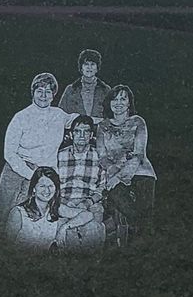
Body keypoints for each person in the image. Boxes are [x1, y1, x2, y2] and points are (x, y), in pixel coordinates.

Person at [0, 72, 68, 222]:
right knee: (6, 217)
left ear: (53, 95)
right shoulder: (21, 117)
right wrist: (31, 175)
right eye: (39, 91)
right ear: (33, 93)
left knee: (35, 219)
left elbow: (81, 121)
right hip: (16, 171)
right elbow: (9, 153)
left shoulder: (59, 115)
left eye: (48, 91)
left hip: (44, 174)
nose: (43, 95)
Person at [97, 84, 156, 244]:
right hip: (114, 175)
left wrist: (121, 176)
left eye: (123, 99)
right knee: (134, 216)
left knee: (145, 217)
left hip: (141, 172)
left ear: (129, 103)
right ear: (109, 103)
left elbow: (138, 154)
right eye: (114, 99)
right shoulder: (103, 126)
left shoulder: (138, 122)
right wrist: (115, 174)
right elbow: (102, 156)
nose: (118, 103)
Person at [55, 114, 107, 250]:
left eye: (86, 132)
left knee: (93, 232)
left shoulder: (100, 157)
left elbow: (102, 187)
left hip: (90, 204)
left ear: (91, 135)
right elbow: (54, 185)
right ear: (71, 135)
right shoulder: (59, 155)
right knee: (64, 235)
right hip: (65, 205)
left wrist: (87, 203)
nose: (82, 135)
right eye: (77, 131)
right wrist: (64, 203)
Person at [3, 166, 68, 251]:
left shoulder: (55, 210)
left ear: (56, 189)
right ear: (34, 188)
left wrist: (64, 228)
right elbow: (6, 246)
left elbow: (87, 215)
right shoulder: (18, 213)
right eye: (42, 186)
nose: (47, 190)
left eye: (50, 186)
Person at [59, 49, 111, 120]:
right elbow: (61, 114)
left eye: (92, 64)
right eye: (86, 64)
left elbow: (111, 115)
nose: (89, 67)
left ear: (97, 68)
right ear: (81, 67)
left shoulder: (106, 90)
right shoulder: (70, 89)